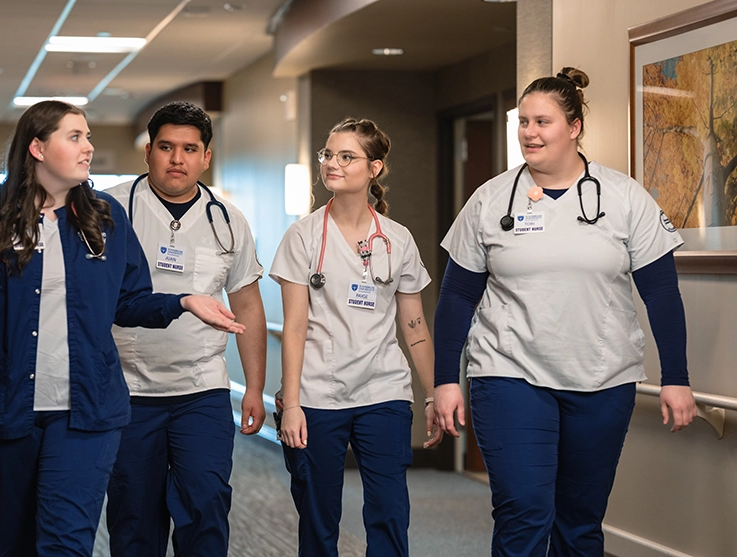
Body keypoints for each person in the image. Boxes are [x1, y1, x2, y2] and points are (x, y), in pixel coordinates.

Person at [0, 100, 244, 557]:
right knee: (16, 541)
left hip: (87, 413)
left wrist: (182, 301)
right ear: (38, 147)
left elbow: (129, 300)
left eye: (88, 136)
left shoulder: (104, 218)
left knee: (67, 542)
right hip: (7, 410)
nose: (89, 148)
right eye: (76, 137)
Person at [433, 68, 697, 556]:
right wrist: (445, 378)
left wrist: (676, 377)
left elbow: (660, 293)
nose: (529, 133)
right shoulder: (490, 200)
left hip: (602, 378)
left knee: (579, 522)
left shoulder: (623, 198)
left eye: (543, 122)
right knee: (523, 513)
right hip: (508, 374)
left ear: (574, 127)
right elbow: (456, 297)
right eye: (524, 122)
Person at [270, 117, 443, 556]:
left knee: (388, 511)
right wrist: (291, 404)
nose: (332, 163)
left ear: (375, 168)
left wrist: (433, 393)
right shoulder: (303, 236)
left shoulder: (397, 240)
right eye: (328, 154)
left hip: (382, 390)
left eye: (347, 156)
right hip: (316, 394)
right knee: (317, 515)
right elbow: (294, 326)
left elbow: (415, 325)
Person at [103, 101, 266, 557]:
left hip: (202, 389)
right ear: (148, 152)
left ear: (206, 157)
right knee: (134, 516)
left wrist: (254, 387)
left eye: (190, 149)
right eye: (166, 147)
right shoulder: (110, 208)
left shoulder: (229, 220)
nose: (178, 159)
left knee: (207, 504)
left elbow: (247, 305)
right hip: (128, 390)